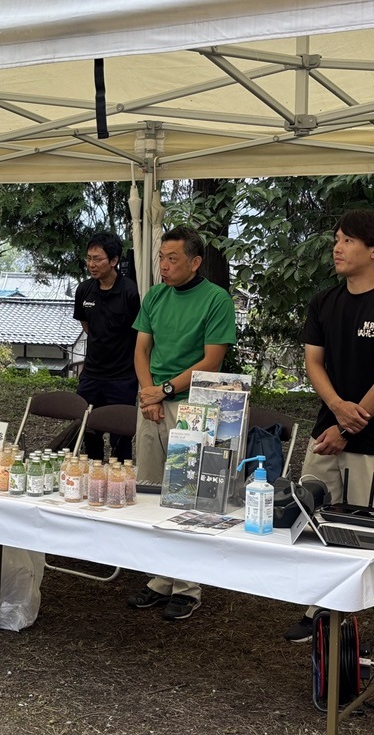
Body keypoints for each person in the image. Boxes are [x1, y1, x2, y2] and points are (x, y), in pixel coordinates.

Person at [282, 209, 374, 669]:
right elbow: (313, 364)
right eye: (336, 239)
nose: (337, 248)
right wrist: (337, 412)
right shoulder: (324, 301)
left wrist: (347, 425)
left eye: (347, 241)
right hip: (327, 435)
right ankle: (320, 609)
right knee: (312, 524)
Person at [125, 226, 237, 622]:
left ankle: (188, 586)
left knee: (187, 495)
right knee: (152, 491)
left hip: (196, 404)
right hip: (153, 400)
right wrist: (148, 392)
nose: (164, 266)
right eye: (161, 257)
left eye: (173, 259)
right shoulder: (154, 295)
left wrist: (165, 390)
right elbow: (141, 347)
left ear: (195, 262)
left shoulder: (216, 299)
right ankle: (160, 577)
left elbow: (212, 359)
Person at [73, 231, 140, 462]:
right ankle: (92, 474)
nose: (92, 264)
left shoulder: (130, 292)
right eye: (89, 258)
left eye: (98, 259)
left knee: (120, 436)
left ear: (113, 261)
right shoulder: (84, 290)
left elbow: (139, 333)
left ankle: (120, 480)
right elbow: (87, 325)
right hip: (91, 374)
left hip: (122, 377)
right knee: (89, 428)